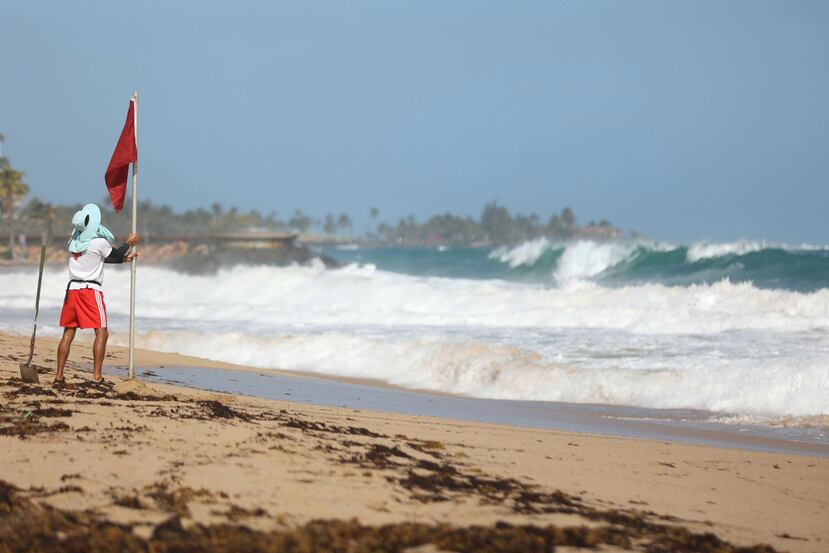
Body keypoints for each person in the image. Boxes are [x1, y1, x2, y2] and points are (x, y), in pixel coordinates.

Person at [54, 203, 139, 386]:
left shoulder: (74, 243)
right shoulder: (99, 242)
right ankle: (96, 376)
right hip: (90, 291)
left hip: (72, 290)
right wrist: (129, 243)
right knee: (102, 332)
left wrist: (124, 259)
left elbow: (101, 258)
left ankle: (59, 376)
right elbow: (113, 253)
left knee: (68, 332)